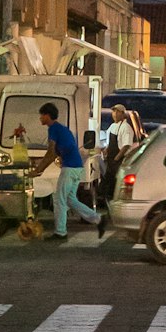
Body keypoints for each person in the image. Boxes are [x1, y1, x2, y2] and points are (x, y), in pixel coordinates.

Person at [34, 103, 99, 244]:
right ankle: (97, 219)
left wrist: (38, 170)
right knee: (70, 199)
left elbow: (51, 152)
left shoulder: (54, 129)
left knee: (59, 200)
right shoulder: (62, 129)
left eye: (41, 115)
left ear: (47, 115)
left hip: (70, 167)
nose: (40, 118)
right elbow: (59, 151)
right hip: (76, 167)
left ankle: (60, 232)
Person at [101, 103, 136, 204]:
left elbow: (126, 146)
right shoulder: (112, 126)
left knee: (115, 182)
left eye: (117, 112)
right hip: (110, 160)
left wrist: (117, 158)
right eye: (114, 112)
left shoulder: (126, 127)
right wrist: (106, 150)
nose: (115, 114)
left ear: (123, 114)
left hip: (118, 161)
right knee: (108, 182)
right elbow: (109, 142)